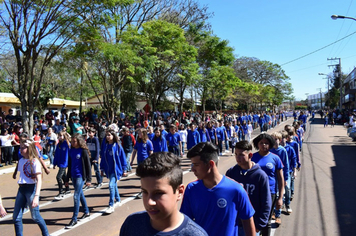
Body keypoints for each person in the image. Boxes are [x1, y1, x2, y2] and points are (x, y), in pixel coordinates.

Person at [120, 152, 208, 236]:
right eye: (145, 192)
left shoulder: (194, 234)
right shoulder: (132, 224)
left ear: (180, 192)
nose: (150, 202)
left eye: (158, 193)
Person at [180, 142, 256, 236]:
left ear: (210, 164)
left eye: (196, 165)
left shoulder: (236, 189)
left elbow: (248, 221)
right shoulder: (191, 189)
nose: (193, 169)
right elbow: (185, 223)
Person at [226, 141, 271, 236]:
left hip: (251, 224)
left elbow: (266, 201)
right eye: (236, 154)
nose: (237, 158)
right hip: (234, 224)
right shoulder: (231, 173)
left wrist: (259, 224)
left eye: (241, 155)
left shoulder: (260, 176)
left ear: (250, 155)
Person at [12, 139, 49, 236]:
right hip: (21, 189)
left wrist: (36, 196)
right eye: (20, 148)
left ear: (29, 149)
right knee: (16, 217)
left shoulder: (35, 161)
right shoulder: (21, 161)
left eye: (23, 148)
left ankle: (46, 234)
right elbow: (21, 174)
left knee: (35, 217)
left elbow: (39, 179)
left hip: (31, 189)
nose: (21, 150)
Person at [252, 133, 284, 236]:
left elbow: (280, 179)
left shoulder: (275, 158)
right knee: (254, 218)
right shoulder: (252, 157)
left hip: (270, 193)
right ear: (257, 144)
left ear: (270, 144)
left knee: (266, 221)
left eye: (266, 143)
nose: (264, 145)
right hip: (254, 193)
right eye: (261, 143)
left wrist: (280, 198)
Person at [65, 134, 92, 229]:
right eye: (71, 141)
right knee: (80, 194)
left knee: (76, 196)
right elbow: (69, 164)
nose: (72, 143)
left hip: (80, 176)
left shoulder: (83, 151)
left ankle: (74, 218)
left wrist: (89, 179)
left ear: (79, 141)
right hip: (73, 176)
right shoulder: (71, 151)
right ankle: (86, 211)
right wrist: (67, 178)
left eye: (74, 141)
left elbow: (88, 166)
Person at [100, 129, 127, 214]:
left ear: (113, 136)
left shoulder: (118, 146)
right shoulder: (105, 146)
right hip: (108, 170)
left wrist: (124, 169)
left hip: (116, 170)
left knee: (111, 185)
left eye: (109, 135)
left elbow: (123, 158)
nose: (108, 137)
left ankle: (111, 205)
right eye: (106, 135)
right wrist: (101, 168)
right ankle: (118, 199)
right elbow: (103, 158)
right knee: (114, 185)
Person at [53, 131, 71, 200]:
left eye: (61, 136)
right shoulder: (58, 145)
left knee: (58, 177)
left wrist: (69, 162)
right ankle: (67, 189)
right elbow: (56, 154)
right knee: (64, 177)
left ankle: (61, 191)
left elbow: (69, 153)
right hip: (60, 163)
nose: (60, 137)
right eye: (59, 136)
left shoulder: (67, 144)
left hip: (64, 163)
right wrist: (55, 163)